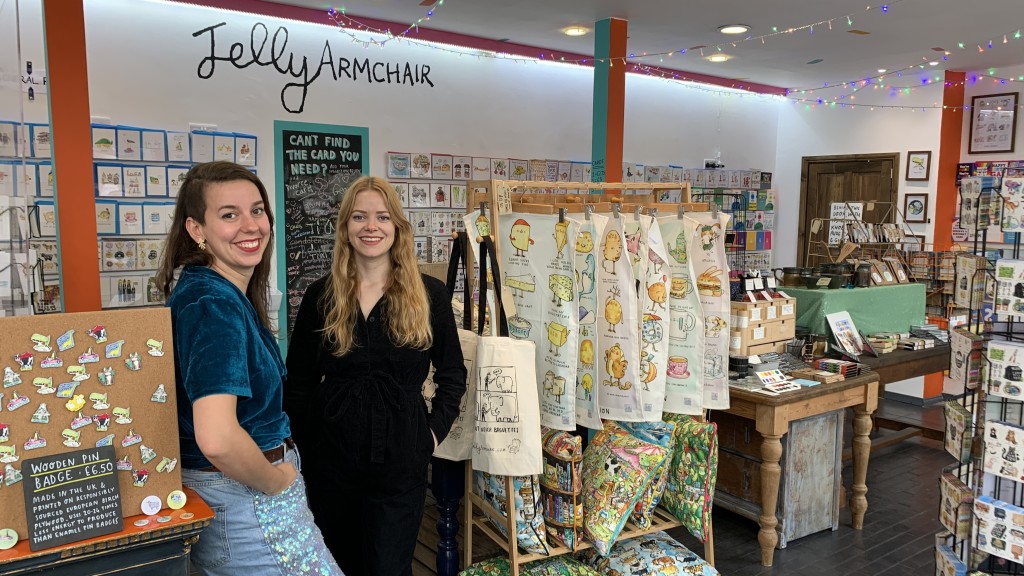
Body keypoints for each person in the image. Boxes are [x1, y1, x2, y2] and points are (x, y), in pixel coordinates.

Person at [156, 161, 342, 576]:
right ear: (196, 229)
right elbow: (218, 438)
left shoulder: (212, 290)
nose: (250, 225)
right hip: (246, 500)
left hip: (234, 495)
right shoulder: (214, 305)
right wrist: (277, 482)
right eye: (229, 215)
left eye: (257, 210)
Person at [285, 176, 467, 576]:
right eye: (360, 217)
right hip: (330, 459)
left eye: (382, 217)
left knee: (389, 566)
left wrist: (430, 434)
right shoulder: (321, 296)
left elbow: (453, 374)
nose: (371, 227)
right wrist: (300, 449)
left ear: (397, 226)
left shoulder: (430, 294)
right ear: (345, 228)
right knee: (337, 564)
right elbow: (296, 384)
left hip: (401, 456)